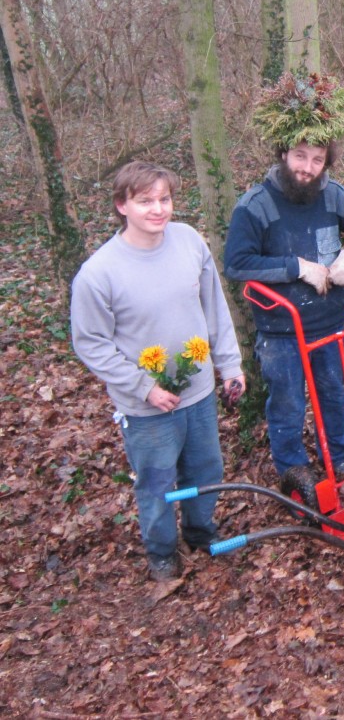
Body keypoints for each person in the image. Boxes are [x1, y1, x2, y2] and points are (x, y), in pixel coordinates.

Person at [71, 162, 244, 581]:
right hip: (147, 407)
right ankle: (163, 552)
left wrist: (229, 366)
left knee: (206, 470)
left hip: (199, 391)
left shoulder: (188, 242)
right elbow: (91, 342)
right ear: (122, 205)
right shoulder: (99, 273)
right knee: (157, 482)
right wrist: (144, 387)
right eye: (145, 201)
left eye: (164, 199)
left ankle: (201, 531)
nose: (158, 209)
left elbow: (214, 307)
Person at [225, 129, 344, 481]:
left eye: (317, 159)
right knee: (288, 404)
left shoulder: (333, 195)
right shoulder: (256, 205)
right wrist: (298, 267)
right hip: (281, 329)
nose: (307, 168)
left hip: (328, 321)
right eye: (300, 156)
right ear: (283, 154)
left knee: (333, 393)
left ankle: (339, 457)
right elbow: (237, 263)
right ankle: (293, 470)